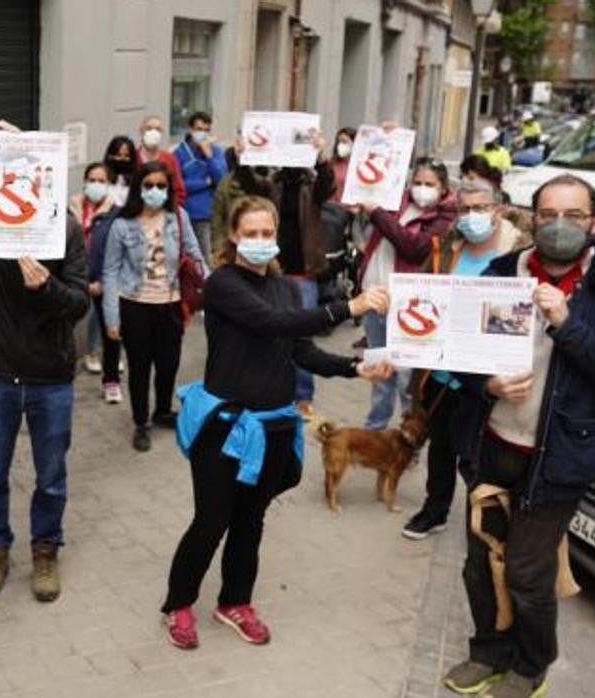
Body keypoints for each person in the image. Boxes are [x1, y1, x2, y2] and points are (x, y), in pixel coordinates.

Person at [442, 175, 595, 697]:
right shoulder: (498, 274)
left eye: (574, 215)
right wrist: (484, 382)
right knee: (479, 564)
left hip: (560, 457)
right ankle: (487, 652)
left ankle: (531, 664)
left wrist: (568, 323)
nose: (560, 225)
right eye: (548, 214)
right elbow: (457, 350)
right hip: (491, 446)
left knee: (526, 572)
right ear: (531, 218)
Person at [160, 197, 392, 650]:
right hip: (226, 429)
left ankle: (234, 603)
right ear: (233, 236)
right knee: (212, 521)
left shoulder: (284, 286)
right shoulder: (223, 285)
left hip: (274, 427)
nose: (261, 242)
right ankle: (178, 604)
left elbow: (298, 348)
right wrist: (351, 307)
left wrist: (353, 367)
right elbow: (270, 323)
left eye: (268, 234)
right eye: (252, 233)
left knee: (251, 520)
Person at [0, 120, 89, 604]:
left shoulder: (66, 228)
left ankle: (46, 550)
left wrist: (44, 287)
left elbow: (78, 303)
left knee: (51, 474)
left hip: (50, 375)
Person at [401, 179, 530, 541]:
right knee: (440, 448)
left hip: (491, 381)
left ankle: (486, 524)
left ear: (499, 210)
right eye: (464, 209)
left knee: (478, 458)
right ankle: (434, 510)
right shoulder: (445, 250)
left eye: (480, 208)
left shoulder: (520, 255)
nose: (471, 216)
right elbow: (421, 294)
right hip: (441, 374)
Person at [215, 132, 335, 415]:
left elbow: (328, 183)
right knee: (273, 332)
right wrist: (240, 154)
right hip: (273, 267)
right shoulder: (272, 185)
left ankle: (303, 395)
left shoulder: (312, 186)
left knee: (301, 334)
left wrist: (321, 157)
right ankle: (273, 386)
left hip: (303, 272)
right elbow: (246, 181)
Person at [102, 161, 206, 452]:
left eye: (161, 186)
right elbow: (110, 272)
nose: (155, 191)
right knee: (139, 367)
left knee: (169, 363)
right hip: (135, 305)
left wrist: (215, 290)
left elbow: (195, 256)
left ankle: (162, 411)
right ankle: (140, 422)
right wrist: (112, 317)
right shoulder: (121, 225)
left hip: (171, 305)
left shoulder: (179, 218)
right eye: (148, 185)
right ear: (138, 188)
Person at [353, 157, 458, 429]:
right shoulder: (395, 201)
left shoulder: (445, 218)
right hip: (374, 298)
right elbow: (380, 167)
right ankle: (375, 428)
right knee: (379, 371)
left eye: (429, 184)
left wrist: (377, 213)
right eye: (417, 183)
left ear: (443, 187)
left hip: (409, 308)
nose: (422, 188)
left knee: (405, 378)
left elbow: (413, 247)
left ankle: (408, 434)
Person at [76, 162, 126, 403]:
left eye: (100, 181)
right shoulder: (70, 209)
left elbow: (118, 252)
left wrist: (103, 283)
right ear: (84, 182)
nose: (95, 185)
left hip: (103, 282)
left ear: (108, 185)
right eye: (91, 180)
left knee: (111, 332)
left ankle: (111, 381)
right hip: (73, 281)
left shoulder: (116, 214)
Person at [174, 111, 229, 264]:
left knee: (205, 254)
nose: (202, 134)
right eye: (199, 129)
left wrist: (209, 156)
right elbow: (179, 184)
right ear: (190, 130)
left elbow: (221, 178)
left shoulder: (216, 151)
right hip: (185, 211)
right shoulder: (179, 153)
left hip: (206, 213)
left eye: (206, 130)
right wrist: (204, 183)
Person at [138, 115, 186, 208]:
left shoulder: (170, 159)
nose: (153, 132)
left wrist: (171, 210)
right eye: (149, 128)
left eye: (157, 129)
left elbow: (178, 190)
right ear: (141, 130)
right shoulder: (133, 157)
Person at [103, 136, 140, 207]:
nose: (122, 159)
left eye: (126, 156)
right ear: (110, 156)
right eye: (118, 155)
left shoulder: (137, 179)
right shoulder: (102, 177)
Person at [328, 127, 357, 204]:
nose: (340, 145)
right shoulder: (331, 163)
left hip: (353, 210)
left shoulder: (360, 166)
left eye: (344, 142)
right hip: (333, 209)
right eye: (338, 142)